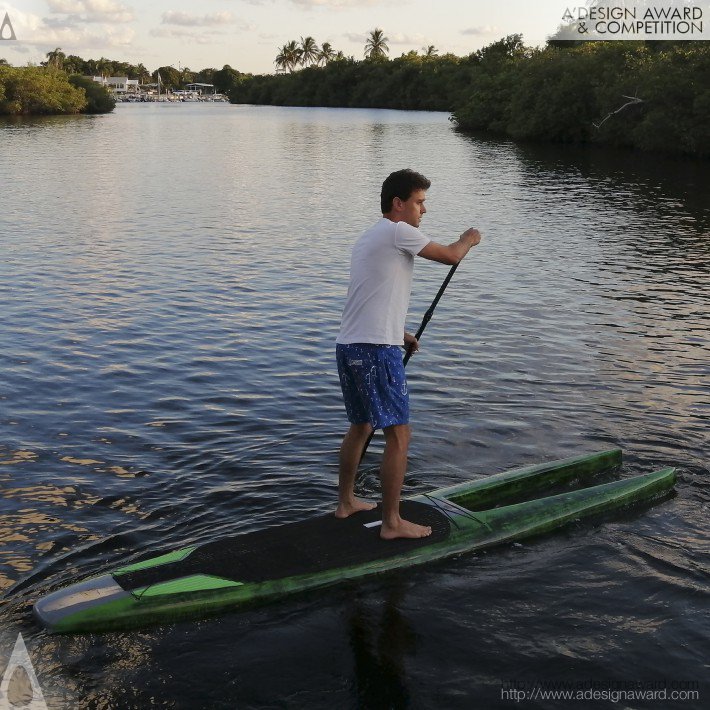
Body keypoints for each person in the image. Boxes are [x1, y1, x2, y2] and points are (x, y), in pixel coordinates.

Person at [335, 169, 481, 539]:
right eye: (419, 202)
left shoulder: (368, 237)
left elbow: (370, 297)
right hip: (374, 351)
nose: (424, 210)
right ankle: (392, 523)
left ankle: (346, 502)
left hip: (350, 345)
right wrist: (468, 239)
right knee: (399, 435)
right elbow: (450, 256)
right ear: (398, 204)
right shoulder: (398, 230)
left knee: (362, 425)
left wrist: (398, 334)